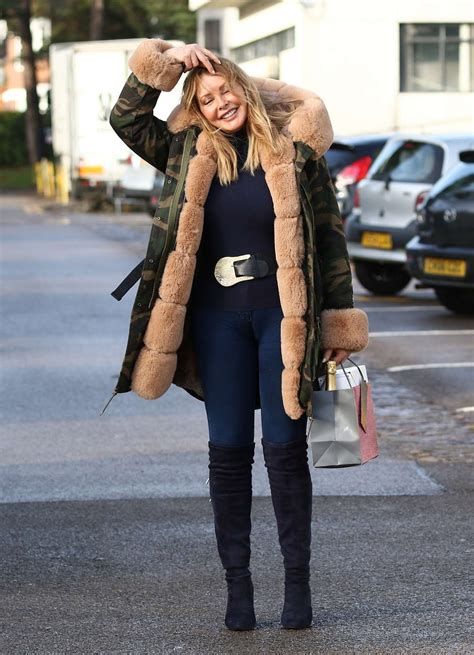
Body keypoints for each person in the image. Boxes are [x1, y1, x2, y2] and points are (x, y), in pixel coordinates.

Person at [109, 39, 369, 631]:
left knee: (284, 450)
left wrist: (339, 328)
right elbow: (125, 117)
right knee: (227, 452)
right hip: (215, 322)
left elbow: (329, 240)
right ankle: (238, 589)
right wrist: (172, 58)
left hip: (286, 319)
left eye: (227, 91)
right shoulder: (185, 152)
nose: (220, 103)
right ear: (195, 109)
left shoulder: (297, 154)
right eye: (206, 98)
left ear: (246, 92)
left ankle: (297, 588)